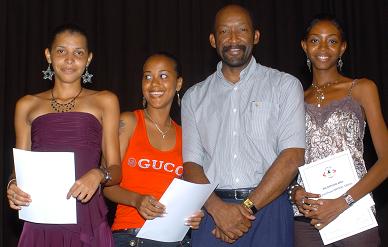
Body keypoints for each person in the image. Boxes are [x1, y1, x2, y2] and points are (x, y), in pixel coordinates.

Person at [181, 4, 306, 247]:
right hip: (212, 214)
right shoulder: (193, 97)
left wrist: (245, 209)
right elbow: (191, 165)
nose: (233, 39)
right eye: (224, 32)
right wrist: (219, 210)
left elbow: (292, 156)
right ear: (212, 40)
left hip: (269, 210)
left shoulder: (285, 86)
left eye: (242, 30)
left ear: (255, 36)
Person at [6, 24, 121, 246]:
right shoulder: (26, 104)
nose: (70, 59)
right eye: (61, 51)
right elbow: (17, 170)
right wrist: (12, 186)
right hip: (40, 217)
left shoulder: (105, 101)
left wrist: (98, 174)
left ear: (88, 59)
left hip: (86, 216)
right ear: (48, 55)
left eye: (78, 52)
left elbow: (115, 169)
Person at [289, 14, 388, 246]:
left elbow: (386, 161)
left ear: (343, 48)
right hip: (307, 218)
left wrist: (343, 202)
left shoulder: (362, 88)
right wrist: (294, 192)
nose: (323, 47)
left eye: (332, 41)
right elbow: (287, 161)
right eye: (315, 40)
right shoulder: (294, 99)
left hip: (354, 213)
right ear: (304, 46)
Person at [103, 53, 204, 247]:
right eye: (147, 76)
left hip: (176, 239)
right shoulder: (128, 122)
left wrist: (194, 214)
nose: (154, 84)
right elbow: (106, 184)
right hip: (131, 236)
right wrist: (137, 200)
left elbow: (189, 193)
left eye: (163, 76)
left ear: (179, 83)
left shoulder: (187, 135)